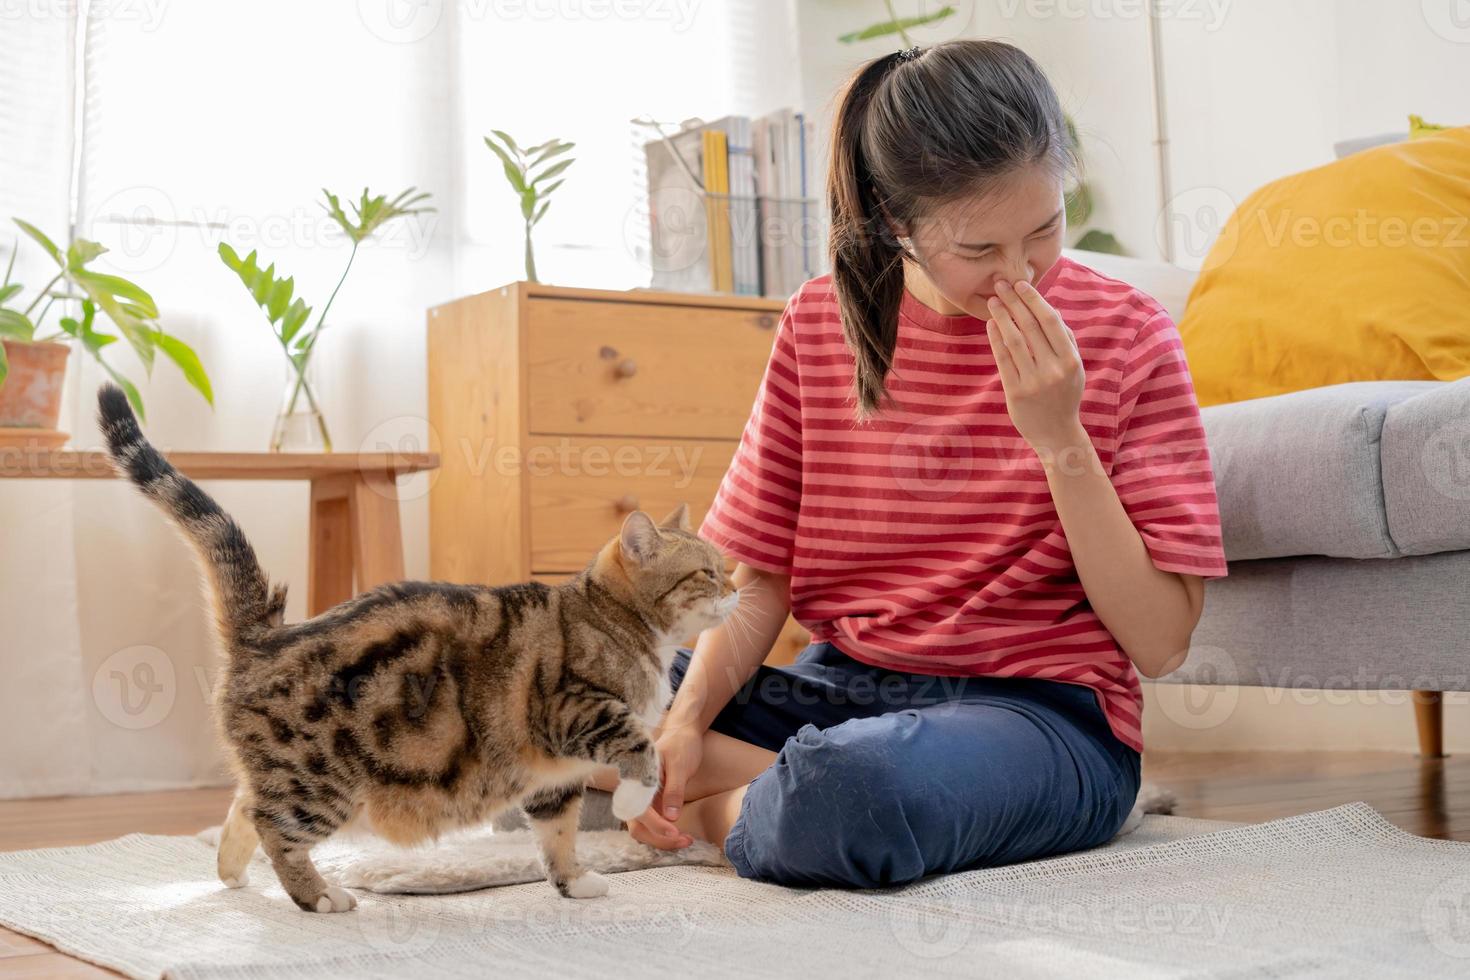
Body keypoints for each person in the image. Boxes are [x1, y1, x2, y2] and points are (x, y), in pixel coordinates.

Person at [587, 38, 1228, 889]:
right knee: (563, 672)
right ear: (899, 227)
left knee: (849, 793)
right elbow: (758, 580)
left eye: (1044, 231)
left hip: (1039, 716)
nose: (1020, 277)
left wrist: (1060, 439)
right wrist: (686, 717)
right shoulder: (821, 326)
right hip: (842, 691)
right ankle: (709, 769)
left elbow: (1160, 641)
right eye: (979, 252)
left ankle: (712, 802)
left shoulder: (1129, 332)